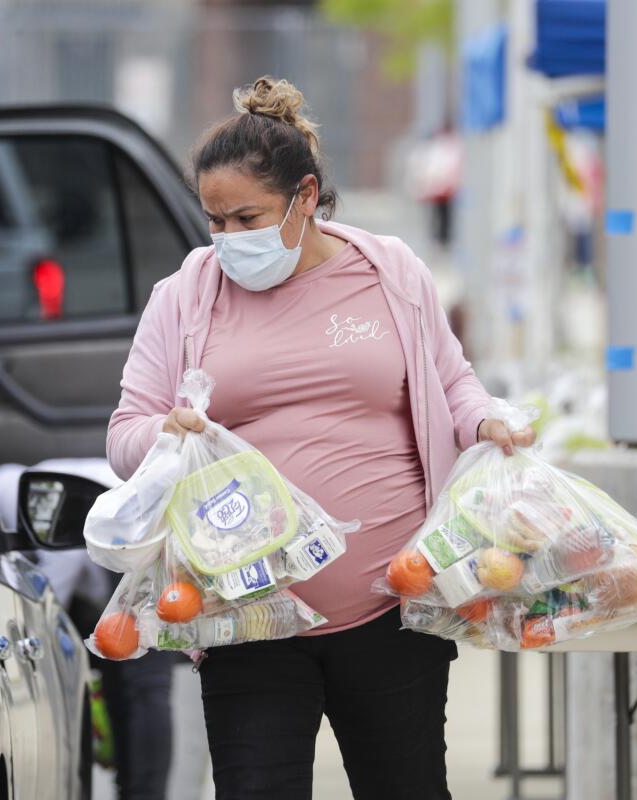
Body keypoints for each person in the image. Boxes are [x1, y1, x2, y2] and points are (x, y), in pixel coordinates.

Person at [106, 76, 535, 800]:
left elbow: (451, 382)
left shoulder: (389, 273)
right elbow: (124, 434)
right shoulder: (185, 296)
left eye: (248, 218)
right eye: (214, 221)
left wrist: (486, 420)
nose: (228, 240)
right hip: (246, 614)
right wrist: (165, 433)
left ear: (305, 197)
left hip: (392, 603)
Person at [0, 462, 178, 800]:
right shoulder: (12, 484)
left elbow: (58, 576)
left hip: (141, 535)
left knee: (145, 686)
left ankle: (144, 792)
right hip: (136, 524)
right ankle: (134, 785)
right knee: (128, 685)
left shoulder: (20, 501)